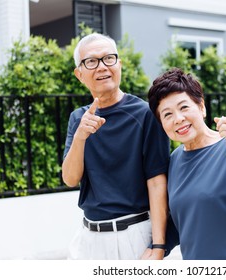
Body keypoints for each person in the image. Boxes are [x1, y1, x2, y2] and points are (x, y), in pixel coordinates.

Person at [146, 68, 226, 260]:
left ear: (201, 107)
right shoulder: (174, 160)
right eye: (167, 115)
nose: (178, 119)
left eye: (184, 107)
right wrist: (155, 250)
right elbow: (183, 221)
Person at [62, 33, 170, 260]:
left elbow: (157, 182)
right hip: (88, 237)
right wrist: (81, 136)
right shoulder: (78, 118)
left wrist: (159, 245)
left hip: (133, 234)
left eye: (108, 58)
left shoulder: (145, 114)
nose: (102, 67)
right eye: (91, 61)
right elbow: (70, 179)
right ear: (79, 74)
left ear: (119, 64)